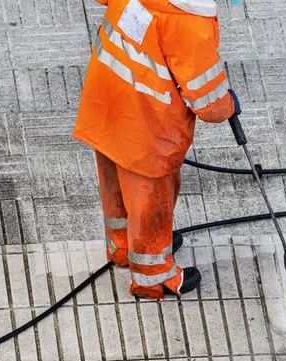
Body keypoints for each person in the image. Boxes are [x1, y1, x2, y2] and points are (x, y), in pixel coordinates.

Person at [73, 0, 241, 299]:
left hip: (107, 100)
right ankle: (154, 277)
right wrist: (227, 103)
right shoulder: (189, 23)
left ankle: (122, 246)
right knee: (151, 202)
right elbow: (209, 104)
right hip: (149, 126)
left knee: (115, 182)